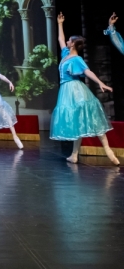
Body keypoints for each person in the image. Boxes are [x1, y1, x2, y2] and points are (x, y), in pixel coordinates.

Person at [50, 12, 119, 165]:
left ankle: (109, 151)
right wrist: (60, 23)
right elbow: (61, 39)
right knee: (77, 122)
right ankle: (74, 155)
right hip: (66, 91)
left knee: (91, 117)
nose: (67, 41)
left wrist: (101, 83)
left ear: (73, 44)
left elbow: (88, 72)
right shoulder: (66, 54)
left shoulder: (77, 59)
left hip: (76, 91)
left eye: (69, 41)